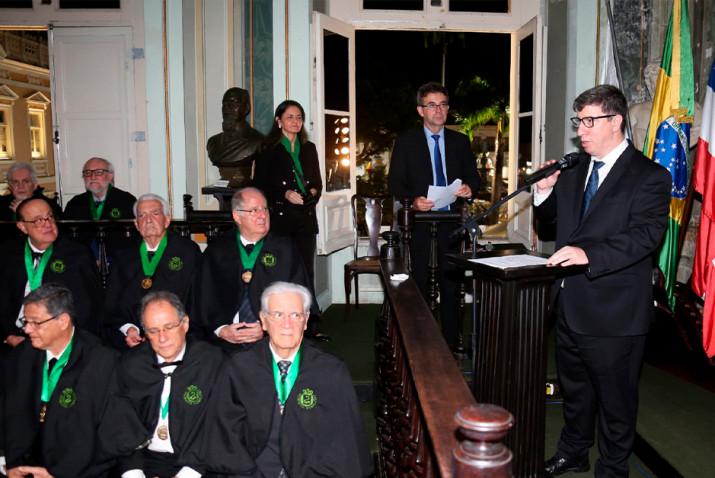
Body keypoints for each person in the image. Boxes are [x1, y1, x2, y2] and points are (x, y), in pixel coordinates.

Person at [534, 85, 671, 477]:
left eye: (590, 121)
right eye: (579, 121)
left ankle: (612, 467)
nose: (582, 130)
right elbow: (551, 227)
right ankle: (573, 451)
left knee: (615, 400)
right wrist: (544, 193)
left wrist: (589, 254)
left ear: (617, 121)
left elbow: (646, 236)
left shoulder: (649, 176)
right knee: (575, 391)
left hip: (615, 312)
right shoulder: (575, 170)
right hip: (571, 304)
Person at [203, 282, 372, 477]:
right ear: (263, 320)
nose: (287, 324)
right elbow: (226, 439)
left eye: (295, 315)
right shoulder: (239, 369)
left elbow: (343, 446)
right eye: (278, 315)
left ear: (306, 320)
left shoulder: (330, 372)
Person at [388, 82, 480, 349]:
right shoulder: (406, 142)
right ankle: (420, 343)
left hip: (452, 224)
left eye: (443, 104)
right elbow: (395, 184)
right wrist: (414, 202)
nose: (438, 110)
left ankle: (451, 344)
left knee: (451, 285)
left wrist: (468, 188)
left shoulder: (460, 142)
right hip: (419, 224)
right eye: (432, 105)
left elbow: (475, 178)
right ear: (420, 110)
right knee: (418, 284)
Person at [98, 291, 224, 478]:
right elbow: (119, 424)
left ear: (185, 324)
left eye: (169, 327)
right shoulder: (130, 364)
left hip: (197, 466)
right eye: (153, 331)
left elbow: (218, 427)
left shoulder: (213, 362)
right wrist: (135, 473)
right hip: (143, 462)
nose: (162, 338)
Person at [0, 284, 118, 478]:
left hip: (76, 472)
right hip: (22, 467)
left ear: (63, 321)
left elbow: (108, 436)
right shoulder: (21, 356)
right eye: (25, 321)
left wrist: (60, 474)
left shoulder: (102, 362)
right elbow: (8, 412)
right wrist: (10, 464)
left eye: (36, 322)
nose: (27, 329)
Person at [194, 187, 320, 351]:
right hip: (224, 342)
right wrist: (221, 330)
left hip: (274, 339)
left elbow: (301, 299)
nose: (262, 215)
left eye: (265, 209)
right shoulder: (218, 250)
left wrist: (268, 327)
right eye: (254, 210)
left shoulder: (284, 249)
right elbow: (204, 299)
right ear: (237, 216)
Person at [103, 194, 202, 349]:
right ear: (136, 224)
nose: (148, 220)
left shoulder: (187, 251)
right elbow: (112, 304)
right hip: (133, 339)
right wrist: (129, 329)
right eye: (142, 215)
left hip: (176, 336)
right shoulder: (124, 255)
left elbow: (197, 301)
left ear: (167, 220)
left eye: (155, 214)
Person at [0, 198, 102, 348]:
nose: (47, 224)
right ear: (22, 227)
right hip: (17, 337)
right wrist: (8, 335)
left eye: (50, 216)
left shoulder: (76, 254)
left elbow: (90, 306)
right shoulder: (8, 254)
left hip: (60, 339)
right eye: (37, 220)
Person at [253, 100, 322, 285]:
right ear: (279, 121)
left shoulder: (309, 148)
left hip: (305, 218)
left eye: (299, 117)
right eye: (290, 117)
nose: (295, 121)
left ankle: (308, 313)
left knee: (306, 270)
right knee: (281, 269)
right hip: (280, 220)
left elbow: (317, 183)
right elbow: (259, 187)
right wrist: (284, 193)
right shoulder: (267, 149)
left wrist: (312, 192)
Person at [63, 157, 138, 260]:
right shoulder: (75, 203)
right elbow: (66, 237)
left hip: (119, 261)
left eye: (99, 172)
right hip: (83, 261)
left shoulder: (126, 201)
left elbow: (136, 237)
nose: (92, 177)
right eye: (87, 173)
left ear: (110, 176)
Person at [207, 87, 264, 187]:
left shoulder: (258, 141)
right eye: (224, 103)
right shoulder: (213, 142)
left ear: (246, 108)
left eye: (234, 103)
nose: (227, 107)